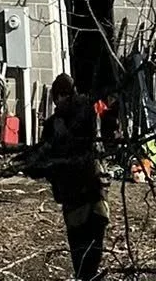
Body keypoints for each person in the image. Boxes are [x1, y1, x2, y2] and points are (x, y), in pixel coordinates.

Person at [37, 73, 109, 280]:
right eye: (59, 95)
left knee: (93, 248)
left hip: (93, 192)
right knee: (80, 250)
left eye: (66, 95)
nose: (62, 99)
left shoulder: (86, 116)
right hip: (73, 196)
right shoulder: (52, 125)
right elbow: (44, 163)